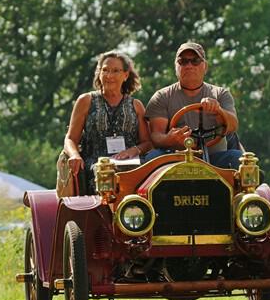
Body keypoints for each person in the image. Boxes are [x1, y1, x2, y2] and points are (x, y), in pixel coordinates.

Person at [64, 51, 153, 194]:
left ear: (125, 75)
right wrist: (74, 155)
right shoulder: (85, 101)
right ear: (99, 73)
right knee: (105, 173)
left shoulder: (136, 105)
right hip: (96, 164)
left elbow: (148, 143)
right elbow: (70, 138)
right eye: (105, 70)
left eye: (115, 71)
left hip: (132, 163)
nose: (109, 76)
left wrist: (133, 150)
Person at [143, 41, 242, 169]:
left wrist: (218, 111)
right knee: (152, 158)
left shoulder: (220, 94)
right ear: (176, 67)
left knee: (238, 159)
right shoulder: (162, 97)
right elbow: (156, 136)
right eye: (183, 61)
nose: (189, 66)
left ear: (205, 67)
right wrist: (169, 139)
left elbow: (233, 126)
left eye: (195, 61)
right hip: (176, 159)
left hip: (215, 157)